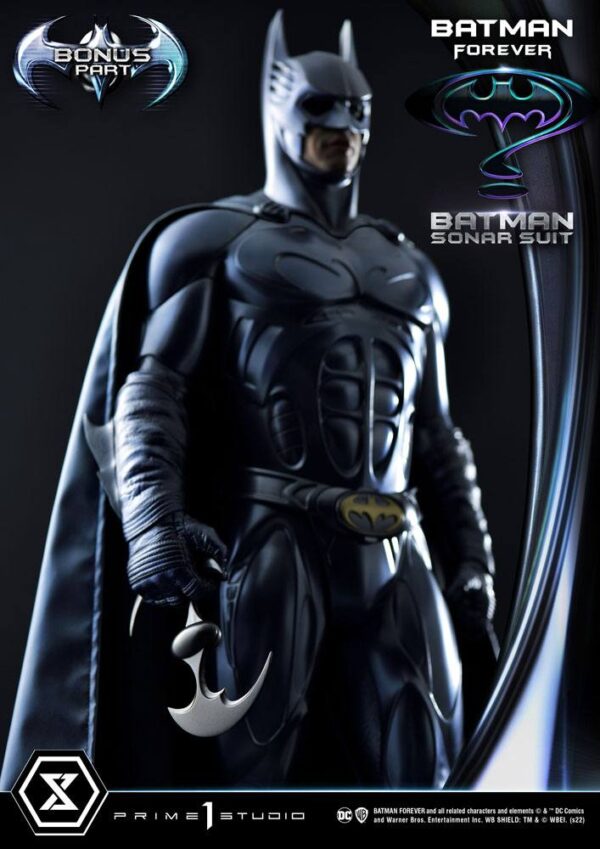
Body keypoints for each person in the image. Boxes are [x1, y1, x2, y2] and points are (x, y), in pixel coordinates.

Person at [1, 11, 496, 791]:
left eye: (357, 113)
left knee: (428, 763)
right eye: (320, 110)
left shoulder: (412, 274)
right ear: (278, 110)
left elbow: (435, 432)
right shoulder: (216, 244)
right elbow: (153, 391)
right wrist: (152, 524)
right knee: (252, 767)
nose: (342, 128)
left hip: (398, 544)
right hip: (275, 539)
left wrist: (470, 555)